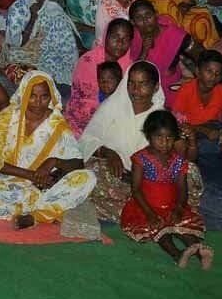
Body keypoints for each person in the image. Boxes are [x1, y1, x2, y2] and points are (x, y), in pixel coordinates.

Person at [0, 70, 96, 228]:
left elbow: (77, 163)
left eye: (44, 97)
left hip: (41, 186)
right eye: (32, 96)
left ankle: (35, 216)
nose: (38, 102)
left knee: (87, 178)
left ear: (51, 97)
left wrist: (53, 162)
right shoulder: (6, 119)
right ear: (24, 93)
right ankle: (44, 208)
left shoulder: (56, 124)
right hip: (6, 182)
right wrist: (32, 175)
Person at [80, 61, 200, 222]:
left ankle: (144, 206)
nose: (136, 90)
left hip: (152, 179)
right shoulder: (112, 106)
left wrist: (188, 140)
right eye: (132, 83)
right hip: (116, 174)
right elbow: (87, 140)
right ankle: (149, 207)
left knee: (190, 172)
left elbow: (180, 156)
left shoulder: (161, 116)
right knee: (90, 173)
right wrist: (108, 152)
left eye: (143, 84)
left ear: (156, 87)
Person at [120, 110, 212, 269]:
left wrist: (178, 207)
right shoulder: (140, 158)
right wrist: (149, 213)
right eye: (159, 137)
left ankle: (198, 250)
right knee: (160, 231)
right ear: (149, 136)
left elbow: (182, 189)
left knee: (184, 227)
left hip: (171, 204)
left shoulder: (177, 160)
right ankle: (177, 254)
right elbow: (136, 189)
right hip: (146, 206)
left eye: (169, 138)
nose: (165, 142)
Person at [1, 0, 80, 92]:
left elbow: (66, 40)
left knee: (60, 72)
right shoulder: (18, 9)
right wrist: (32, 18)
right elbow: (15, 43)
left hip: (45, 55)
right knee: (20, 75)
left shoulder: (52, 10)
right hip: (20, 55)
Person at [65, 18, 136, 134]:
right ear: (105, 37)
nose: (120, 43)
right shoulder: (88, 62)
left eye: (125, 39)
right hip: (84, 118)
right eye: (115, 37)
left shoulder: (129, 66)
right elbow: (84, 100)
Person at [128, 0, 194, 95]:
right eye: (139, 18)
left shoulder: (175, 35)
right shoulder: (133, 36)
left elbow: (199, 56)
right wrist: (144, 51)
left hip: (170, 88)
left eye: (148, 15)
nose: (145, 21)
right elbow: (134, 71)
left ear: (156, 14)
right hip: (142, 90)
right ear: (133, 22)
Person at [173, 50, 222, 143]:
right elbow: (176, 122)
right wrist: (205, 130)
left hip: (215, 127)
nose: (213, 77)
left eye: (218, 73)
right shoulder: (185, 90)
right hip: (191, 129)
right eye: (209, 71)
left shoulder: (221, 90)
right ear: (198, 71)